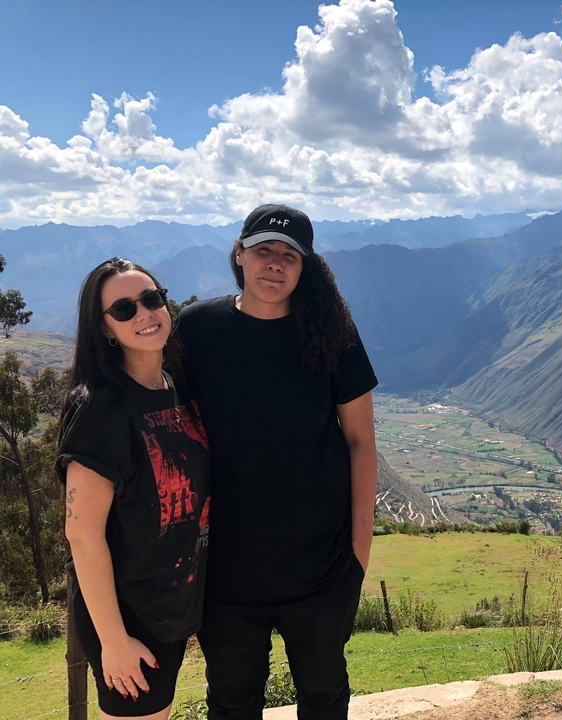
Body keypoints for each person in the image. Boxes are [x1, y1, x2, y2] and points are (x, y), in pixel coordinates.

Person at [176, 204, 378, 720]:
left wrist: (358, 554)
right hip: (224, 573)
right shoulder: (197, 328)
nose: (275, 263)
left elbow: (360, 440)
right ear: (239, 256)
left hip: (322, 570)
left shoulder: (331, 331)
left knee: (325, 699)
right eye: (263, 249)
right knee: (231, 705)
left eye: (290, 255)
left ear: (305, 266)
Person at [57, 258, 212, 720]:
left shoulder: (177, 386)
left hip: (174, 606)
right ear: (105, 328)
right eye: (124, 310)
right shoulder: (100, 411)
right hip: (129, 617)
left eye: (151, 299)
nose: (144, 313)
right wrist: (114, 641)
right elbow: (82, 535)